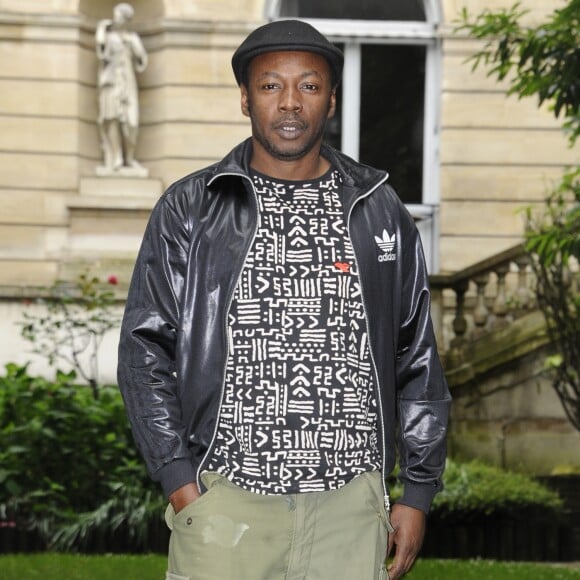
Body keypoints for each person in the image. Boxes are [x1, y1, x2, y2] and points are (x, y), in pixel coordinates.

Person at [118, 19, 451, 580]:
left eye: (310, 86)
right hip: (226, 506)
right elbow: (145, 350)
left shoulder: (379, 208)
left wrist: (416, 493)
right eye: (271, 85)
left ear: (332, 100)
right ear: (245, 99)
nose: (291, 103)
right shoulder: (190, 208)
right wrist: (181, 482)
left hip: (350, 507)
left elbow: (415, 355)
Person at [95, 3, 147, 173]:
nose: (115, 18)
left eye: (118, 15)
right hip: (110, 82)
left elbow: (141, 60)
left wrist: (132, 45)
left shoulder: (132, 38)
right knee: (111, 118)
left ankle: (130, 158)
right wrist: (101, 29)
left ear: (125, 19)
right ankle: (115, 157)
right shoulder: (108, 37)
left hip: (128, 83)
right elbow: (101, 49)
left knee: (131, 122)